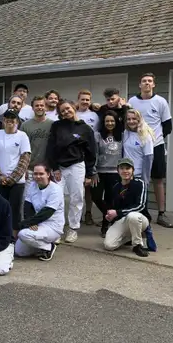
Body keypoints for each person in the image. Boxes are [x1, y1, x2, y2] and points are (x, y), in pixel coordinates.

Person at [45, 99, 96, 243]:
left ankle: (73, 229)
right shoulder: (57, 126)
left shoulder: (85, 129)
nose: (66, 112)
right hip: (59, 168)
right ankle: (57, 230)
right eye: (62, 111)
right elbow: (51, 148)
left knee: (77, 198)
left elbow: (91, 152)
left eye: (68, 108)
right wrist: (55, 168)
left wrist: (89, 173)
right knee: (56, 198)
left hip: (77, 166)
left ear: (74, 107)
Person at [128, 72, 173, 228]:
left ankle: (161, 213)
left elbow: (167, 126)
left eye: (149, 81)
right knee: (136, 178)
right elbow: (127, 120)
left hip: (156, 146)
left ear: (153, 84)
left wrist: (153, 139)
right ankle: (138, 210)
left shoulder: (160, 101)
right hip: (136, 147)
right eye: (144, 81)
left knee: (158, 180)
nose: (147, 83)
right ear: (139, 85)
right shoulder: (132, 101)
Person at [0, 109, 31, 236]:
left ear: (17, 121)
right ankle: (1, 235)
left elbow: (25, 158)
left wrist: (12, 178)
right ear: (3, 120)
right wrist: (0, 177)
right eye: (7, 118)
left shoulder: (22, 136)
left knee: (15, 210)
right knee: (0, 208)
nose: (10, 121)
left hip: (17, 182)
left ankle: (14, 237)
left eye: (13, 118)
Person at [14, 163, 64, 261]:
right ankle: (40, 247)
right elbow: (28, 207)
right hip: (38, 223)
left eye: (41, 174)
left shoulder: (56, 189)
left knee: (23, 234)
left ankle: (49, 247)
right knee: (20, 251)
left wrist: (26, 223)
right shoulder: (32, 186)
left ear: (48, 174)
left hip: (52, 226)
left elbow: (47, 212)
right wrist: (31, 223)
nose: (38, 176)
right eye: (35, 174)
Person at [103, 158, 151, 257]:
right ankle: (130, 237)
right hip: (123, 220)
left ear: (133, 170)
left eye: (128, 168)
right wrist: (111, 216)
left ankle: (137, 245)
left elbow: (140, 206)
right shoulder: (116, 187)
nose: (125, 171)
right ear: (118, 171)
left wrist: (118, 212)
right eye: (122, 168)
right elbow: (115, 208)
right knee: (109, 245)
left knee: (132, 216)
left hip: (140, 218)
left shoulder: (140, 183)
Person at [91, 111, 124, 236]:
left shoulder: (122, 135)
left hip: (115, 172)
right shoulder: (97, 135)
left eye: (112, 121)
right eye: (107, 121)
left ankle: (105, 226)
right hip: (99, 172)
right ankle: (112, 217)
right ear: (103, 123)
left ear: (116, 122)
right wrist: (93, 171)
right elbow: (94, 153)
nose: (109, 123)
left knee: (110, 200)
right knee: (96, 197)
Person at [75, 90, 99, 225]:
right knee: (76, 187)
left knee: (88, 185)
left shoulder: (95, 115)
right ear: (78, 100)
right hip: (76, 153)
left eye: (87, 100)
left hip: (90, 152)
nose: (85, 102)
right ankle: (76, 214)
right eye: (82, 99)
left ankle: (88, 212)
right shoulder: (74, 114)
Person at [21, 96, 54, 188]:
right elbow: (21, 148)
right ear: (32, 108)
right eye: (37, 105)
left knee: (47, 194)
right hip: (30, 169)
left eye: (42, 105)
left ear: (46, 107)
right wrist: (24, 168)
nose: (39, 107)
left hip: (48, 169)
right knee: (29, 195)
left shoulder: (53, 124)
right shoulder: (25, 125)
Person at [122, 109, 154, 185]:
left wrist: (145, 179)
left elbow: (148, 159)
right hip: (125, 175)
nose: (131, 121)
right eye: (128, 119)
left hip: (138, 176)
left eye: (134, 119)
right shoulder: (126, 133)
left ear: (139, 120)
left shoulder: (145, 136)